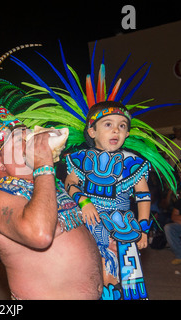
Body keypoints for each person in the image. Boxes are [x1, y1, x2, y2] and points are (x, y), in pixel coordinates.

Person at [0, 103, 103, 300]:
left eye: (29, 138)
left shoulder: (49, 185)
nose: (29, 144)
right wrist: (44, 164)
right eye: (20, 141)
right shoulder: (0, 195)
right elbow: (40, 235)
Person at [65, 101, 152, 300]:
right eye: (108, 124)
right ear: (92, 131)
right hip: (87, 223)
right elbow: (70, 183)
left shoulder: (134, 163)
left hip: (123, 227)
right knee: (86, 279)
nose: (116, 130)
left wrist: (144, 228)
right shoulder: (79, 158)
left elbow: (143, 196)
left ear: (127, 134)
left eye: (122, 126)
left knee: (123, 280)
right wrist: (84, 202)